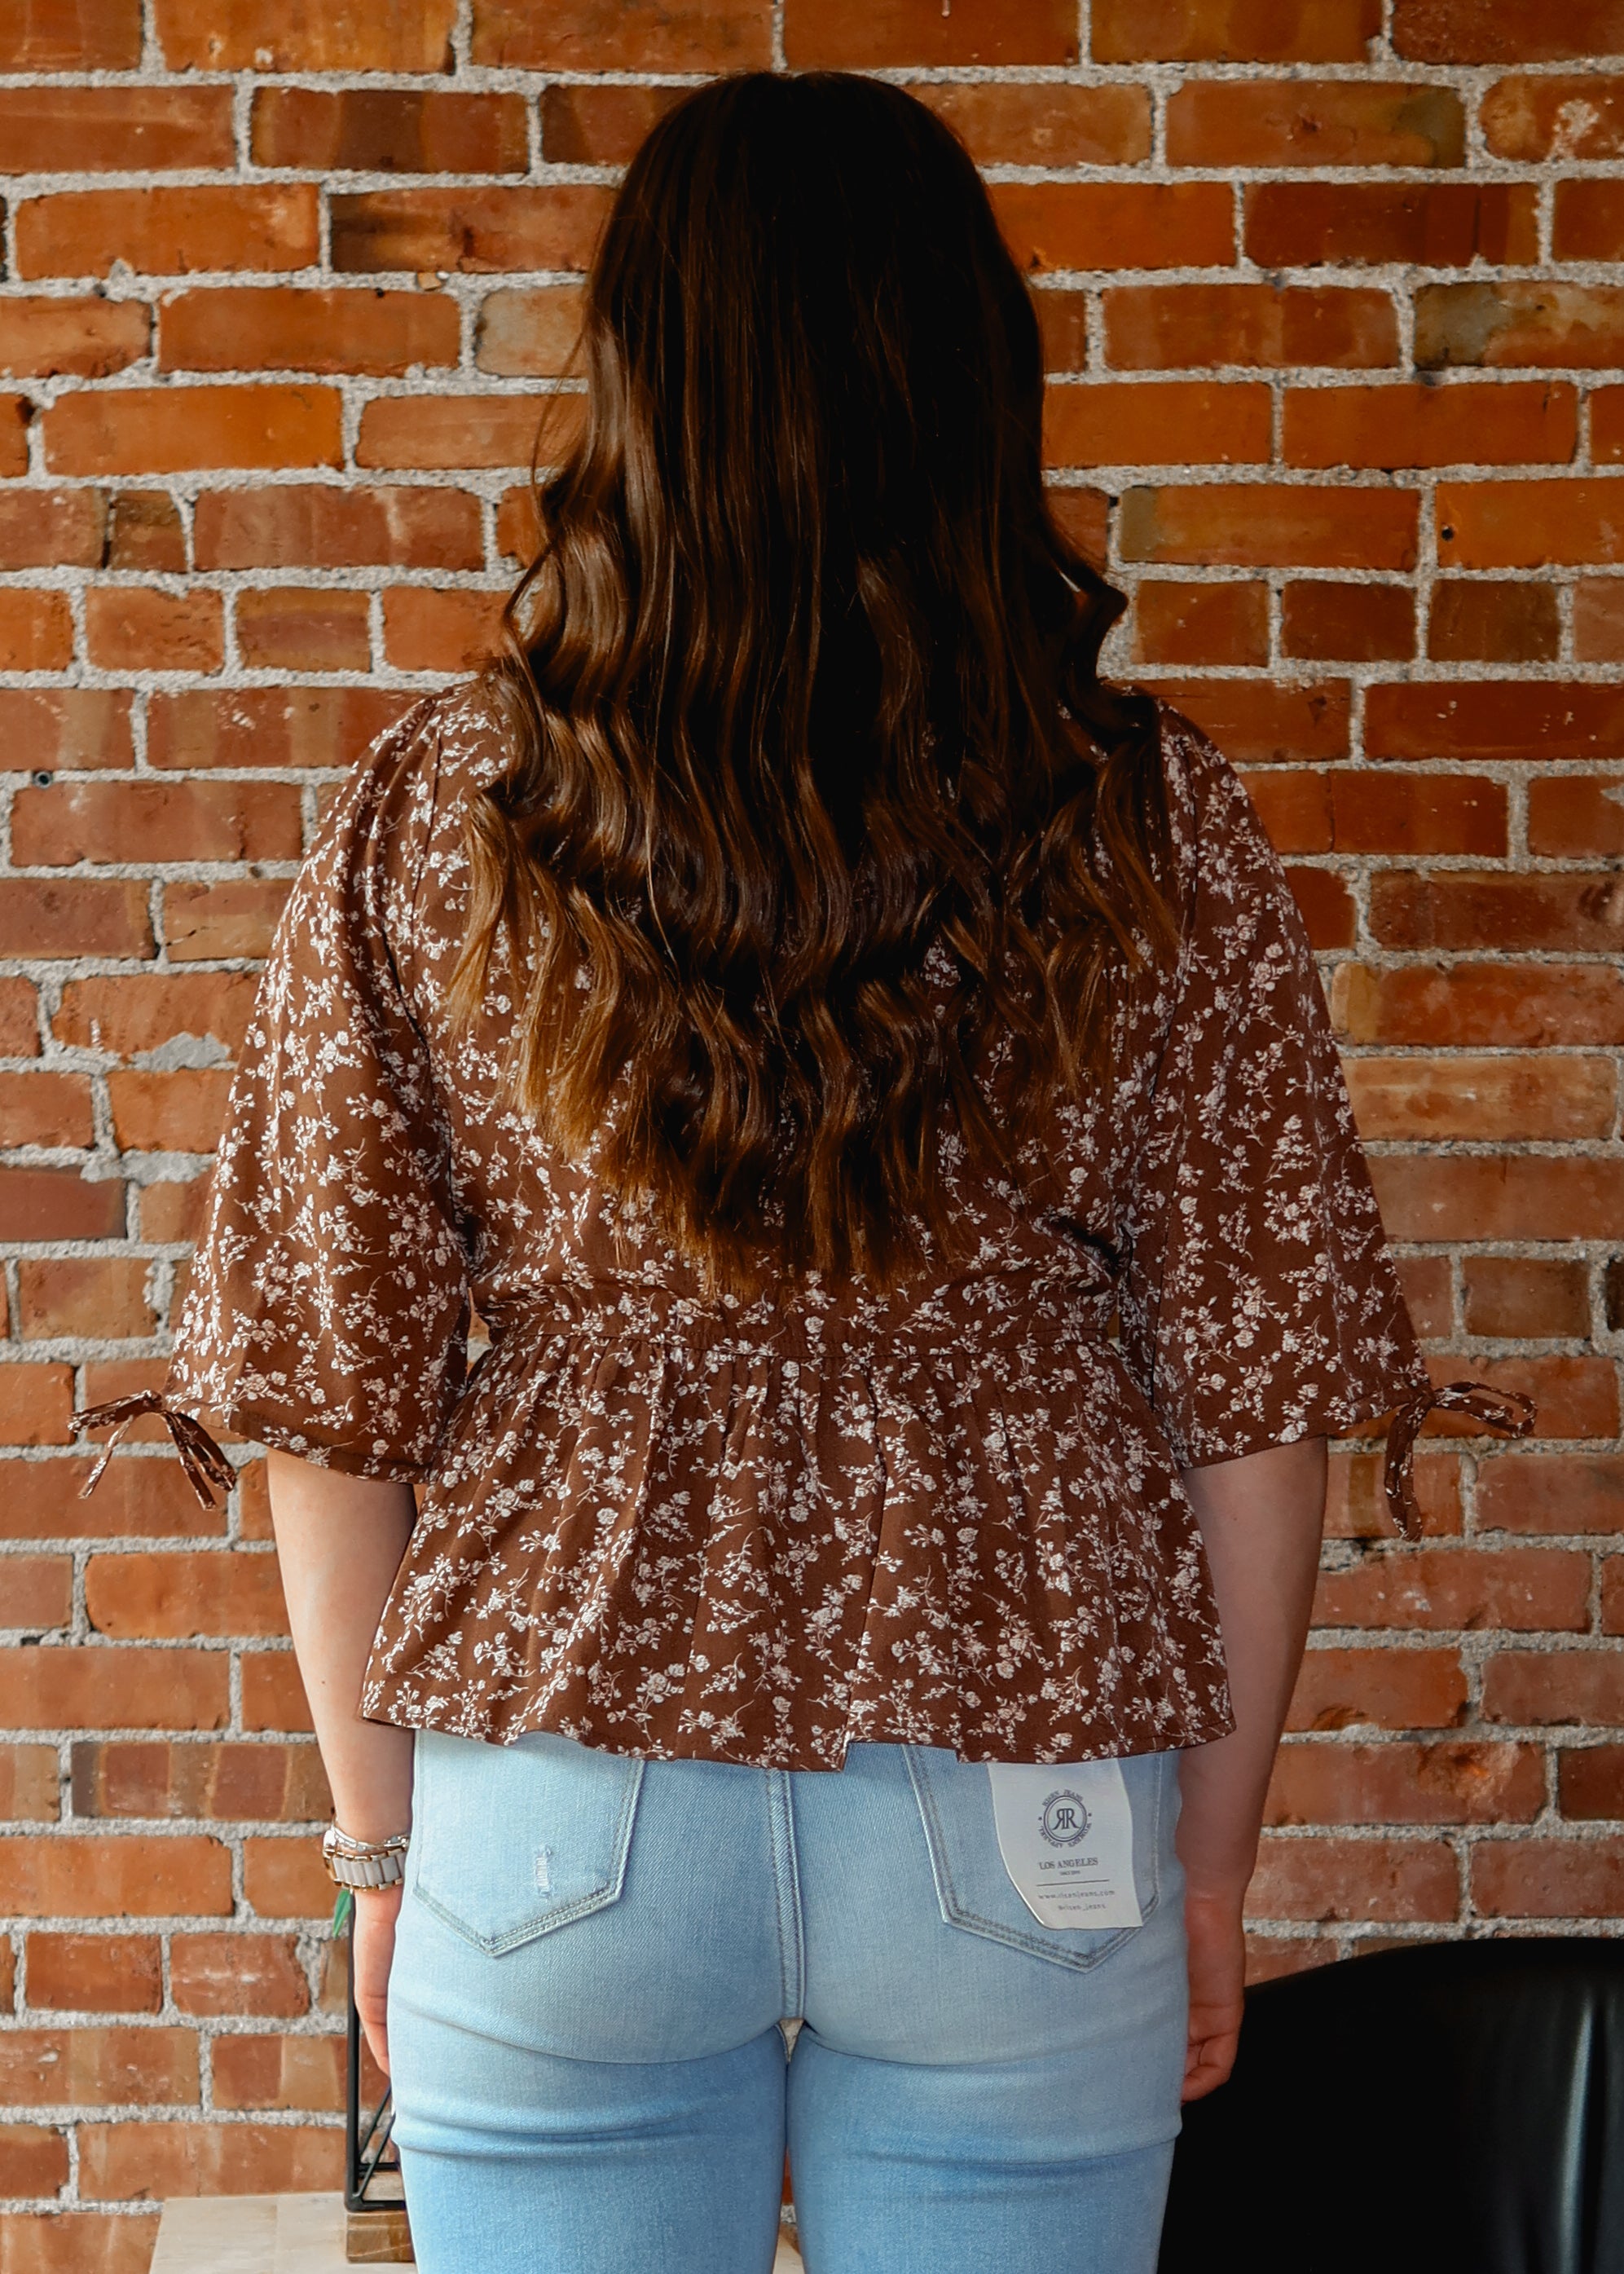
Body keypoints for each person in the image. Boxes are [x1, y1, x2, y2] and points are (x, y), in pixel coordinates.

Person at [73, 70, 1531, 2274]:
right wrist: (1204, 1872)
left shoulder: (439, 810)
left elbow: (321, 1393)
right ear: (968, 376)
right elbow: (1256, 1407)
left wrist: (387, 1862)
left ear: (633, 384)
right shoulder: (1148, 820)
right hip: (1019, 1797)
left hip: (556, 1807)